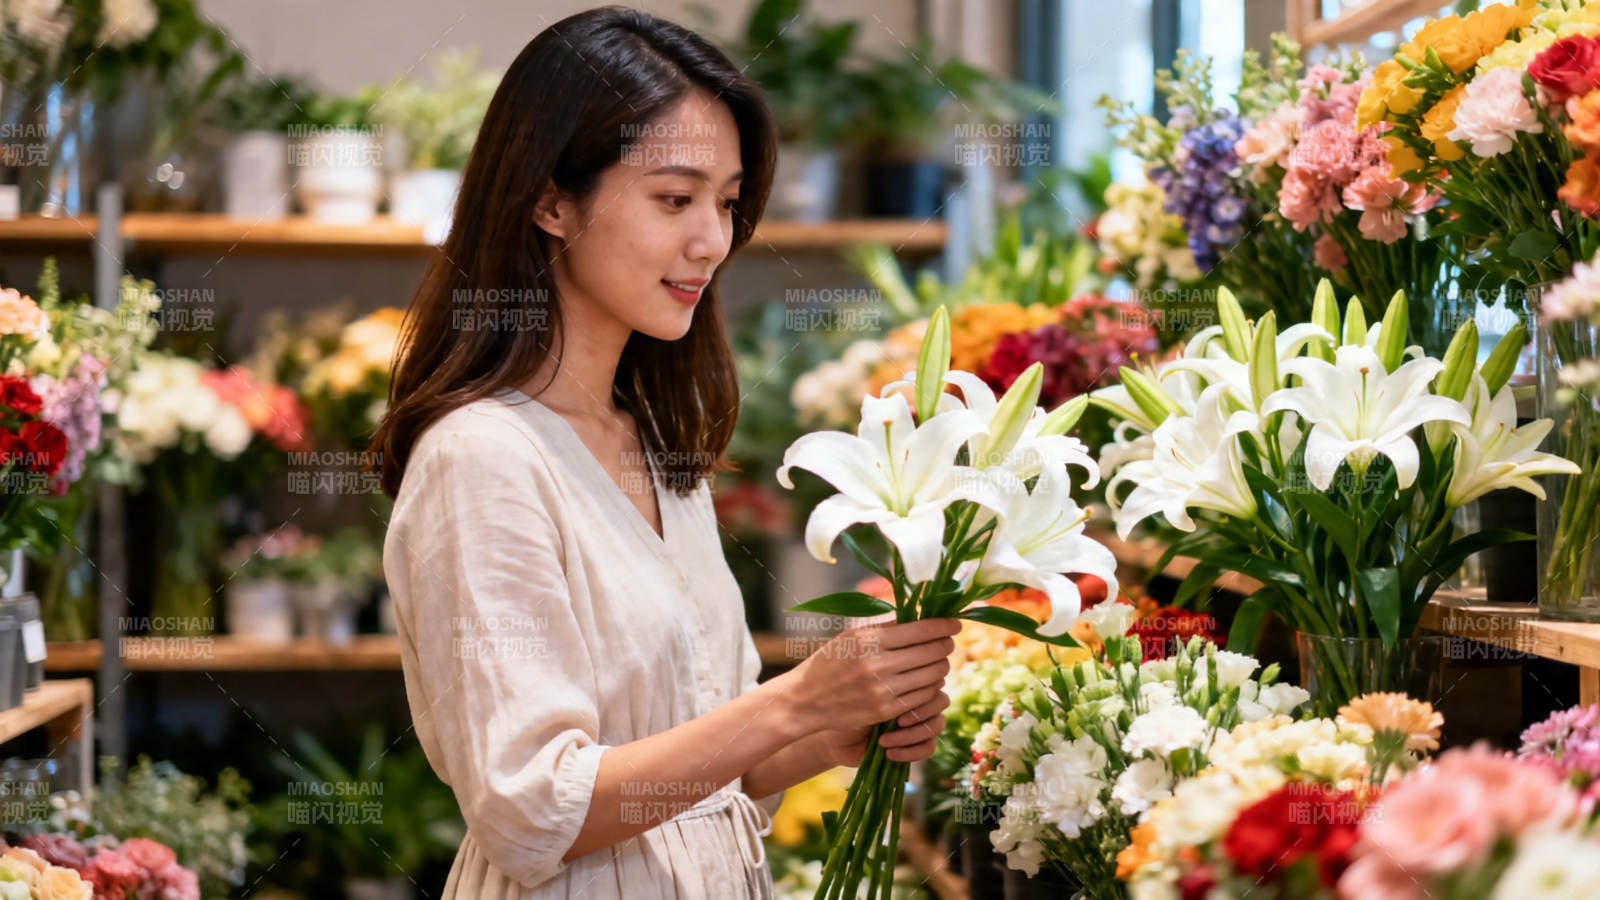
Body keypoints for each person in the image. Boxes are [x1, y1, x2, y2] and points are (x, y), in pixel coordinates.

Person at [371, 7, 956, 898]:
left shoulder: (649, 439)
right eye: (674, 200)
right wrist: (794, 701)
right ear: (550, 200)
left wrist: (831, 725)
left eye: (725, 203)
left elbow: (710, 767)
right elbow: (531, 807)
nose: (712, 241)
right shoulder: (481, 459)